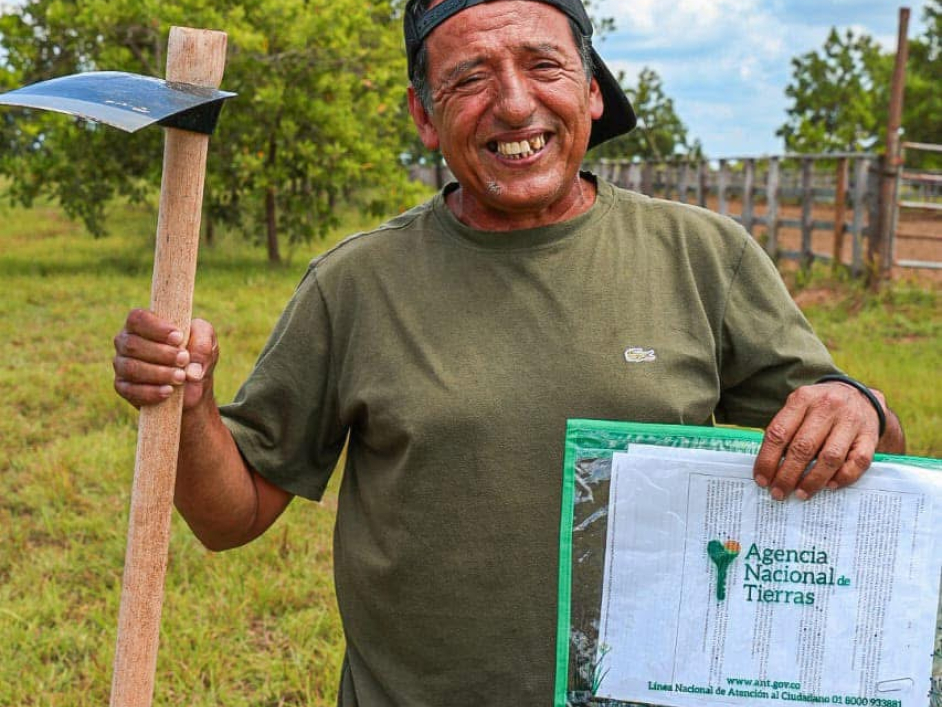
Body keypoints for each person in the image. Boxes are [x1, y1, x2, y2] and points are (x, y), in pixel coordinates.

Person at [113, 0, 906, 704]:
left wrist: (858, 407)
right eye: (469, 79)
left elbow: (868, 452)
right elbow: (231, 515)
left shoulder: (702, 256)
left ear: (592, 90)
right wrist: (190, 404)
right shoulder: (355, 284)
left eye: (544, 65)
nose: (516, 102)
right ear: (425, 117)